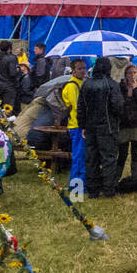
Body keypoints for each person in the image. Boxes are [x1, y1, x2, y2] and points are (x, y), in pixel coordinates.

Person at [76, 57, 124, 199]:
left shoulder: (86, 84)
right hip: (108, 126)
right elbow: (118, 106)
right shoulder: (112, 84)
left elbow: (81, 107)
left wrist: (82, 125)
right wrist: (118, 118)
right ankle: (108, 189)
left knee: (91, 158)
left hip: (90, 126)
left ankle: (93, 190)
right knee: (108, 158)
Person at [61, 59, 88, 190]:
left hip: (80, 125)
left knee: (82, 155)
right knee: (78, 156)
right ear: (73, 71)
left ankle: (81, 183)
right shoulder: (72, 86)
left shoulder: (82, 83)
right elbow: (78, 107)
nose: (83, 71)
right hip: (77, 125)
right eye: (79, 69)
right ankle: (76, 185)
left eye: (84, 68)